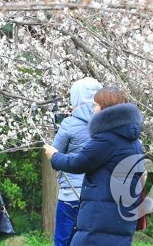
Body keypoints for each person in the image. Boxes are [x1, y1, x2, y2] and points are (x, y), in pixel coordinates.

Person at [43, 87, 144, 246]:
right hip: (121, 215)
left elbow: (78, 163)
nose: (93, 109)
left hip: (100, 216)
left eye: (96, 105)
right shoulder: (133, 140)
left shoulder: (107, 139)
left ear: (105, 109)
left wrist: (54, 156)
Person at [50, 77, 103, 246]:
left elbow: (54, 157)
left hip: (70, 194)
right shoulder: (106, 126)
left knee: (63, 240)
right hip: (97, 194)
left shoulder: (69, 123)